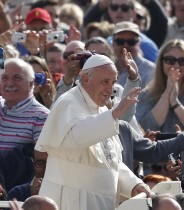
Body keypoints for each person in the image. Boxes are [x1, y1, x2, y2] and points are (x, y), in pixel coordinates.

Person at [35, 54, 151, 210]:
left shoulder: (102, 109)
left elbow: (110, 160)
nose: (110, 89)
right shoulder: (68, 102)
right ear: (85, 79)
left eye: (113, 82)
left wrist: (133, 183)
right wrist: (114, 114)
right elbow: (78, 137)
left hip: (101, 201)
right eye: (105, 82)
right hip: (71, 198)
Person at [0, 46, 49, 190]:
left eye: (17, 78)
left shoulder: (41, 116)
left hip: (17, 197)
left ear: (31, 83)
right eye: (4, 77)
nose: (10, 83)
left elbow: (42, 165)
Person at [136, 39, 184, 132]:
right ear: (161, 62)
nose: (176, 65)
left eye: (183, 61)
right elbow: (144, 128)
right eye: (170, 60)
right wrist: (167, 94)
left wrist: (175, 102)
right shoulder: (147, 94)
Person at [112, 21, 155, 89]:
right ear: (113, 43)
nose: (125, 45)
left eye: (131, 42)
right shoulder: (107, 67)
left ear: (139, 44)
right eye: (120, 41)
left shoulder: (150, 71)